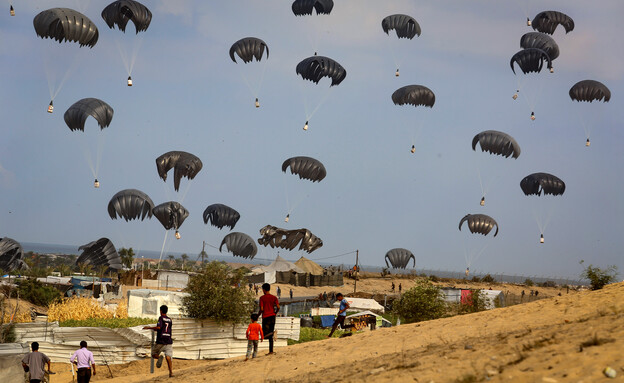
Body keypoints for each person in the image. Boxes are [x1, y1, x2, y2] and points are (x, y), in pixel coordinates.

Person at [143, 305, 173, 377]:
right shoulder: (170, 320)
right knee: (168, 357)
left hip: (161, 340)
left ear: (161, 311)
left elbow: (159, 327)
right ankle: (171, 373)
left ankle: (159, 357)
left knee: (153, 353)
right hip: (168, 340)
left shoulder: (161, 318)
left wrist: (149, 328)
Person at [258, 283, 279, 355]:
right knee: (270, 333)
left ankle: (273, 333)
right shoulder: (274, 297)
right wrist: (275, 313)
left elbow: (261, 308)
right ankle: (271, 351)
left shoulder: (262, 298)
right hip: (273, 316)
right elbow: (278, 307)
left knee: (264, 334)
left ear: (263, 290)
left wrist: (258, 315)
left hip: (266, 317)